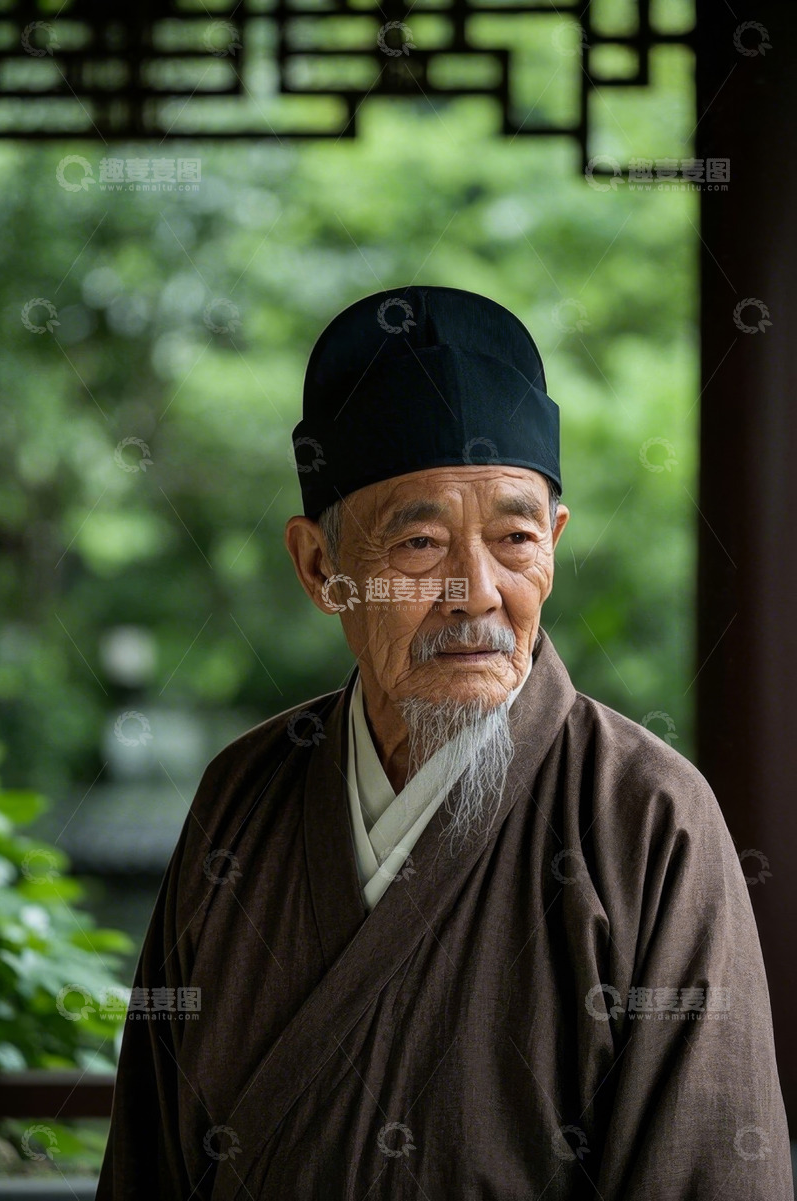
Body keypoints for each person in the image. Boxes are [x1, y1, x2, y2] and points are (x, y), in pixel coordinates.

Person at [96, 285, 793, 1199]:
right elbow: (146, 1157)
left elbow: (706, 1173)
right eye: (420, 542)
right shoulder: (245, 795)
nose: (477, 590)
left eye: (514, 537)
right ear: (320, 568)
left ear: (556, 541)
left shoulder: (646, 819)